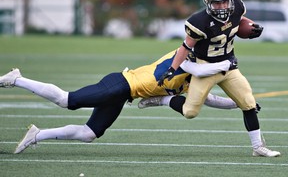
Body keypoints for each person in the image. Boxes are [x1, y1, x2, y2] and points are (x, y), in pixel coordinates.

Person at [0, 49, 238, 154]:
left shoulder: (189, 81)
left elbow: (209, 99)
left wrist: (239, 103)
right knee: (67, 100)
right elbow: (190, 63)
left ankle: (37, 134)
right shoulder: (183, 60)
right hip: (120, 83)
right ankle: (16, 79)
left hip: (124, 94)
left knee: (89, 134)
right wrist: (225, 65)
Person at [152, 0, 280, 157]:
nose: (221, 6)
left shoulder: (237, 8)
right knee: (190, 112)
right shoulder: (198, 22)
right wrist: (172, 68)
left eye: (224, 2)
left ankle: (258, 147)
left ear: (230, 1)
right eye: (216, 3)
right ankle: (163, 100)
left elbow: (240, 22)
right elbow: (185, 47)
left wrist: (251, 27)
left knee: (248, 102)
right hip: (205, 67)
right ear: (208, 3)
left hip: (228, 66)